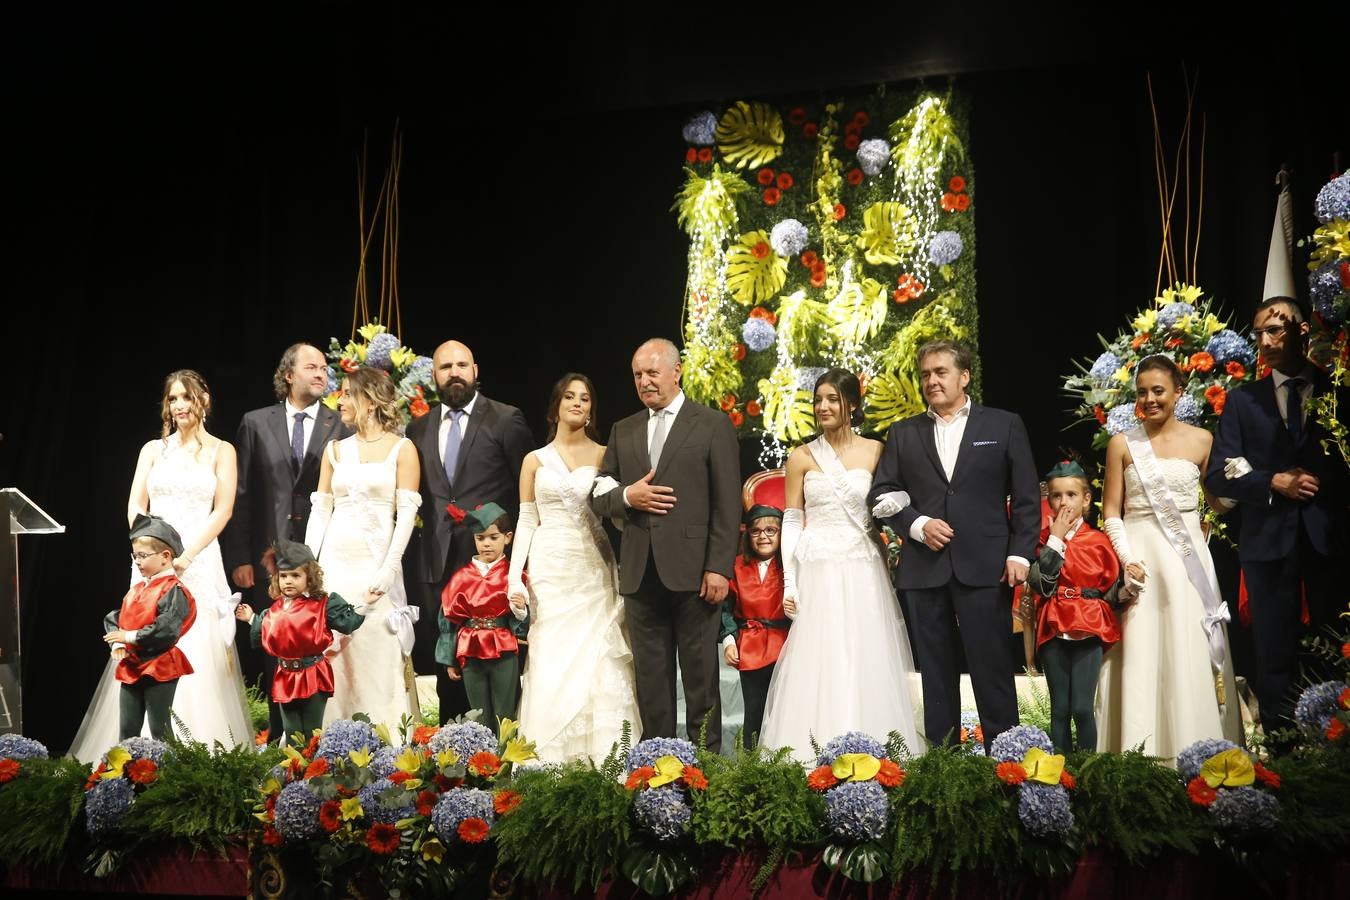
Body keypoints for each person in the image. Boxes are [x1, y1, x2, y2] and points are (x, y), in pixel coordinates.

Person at [69, 372, 252, 760]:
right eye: (172, 399)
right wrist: (147, 549)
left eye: (186, 397)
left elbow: (224, 509)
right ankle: (134, 753)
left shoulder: (222, 451)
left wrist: (185, 557)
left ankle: (198, 751)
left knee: (195, 641)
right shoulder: (154, 449)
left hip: (197, 559)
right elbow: (136, 503)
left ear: (204, 399)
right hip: (152, 559)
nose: (179, 405)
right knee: (146, 640)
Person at [868, 340, 1040, 750]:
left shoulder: (1003, 425)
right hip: (925, 570)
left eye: (940, 372)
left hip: (986, 566)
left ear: (964, 377)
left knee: (993, 670)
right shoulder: (904, 432)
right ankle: (944, 772)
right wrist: (918, 524)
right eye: (925, 374)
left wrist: (1019, 553)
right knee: (936, 677)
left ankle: (1008, 765)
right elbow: (881, 495)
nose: (931, 381)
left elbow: (1028, 496)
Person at [1203, 296, 1349, 740]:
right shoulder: (1244, 401)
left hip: (1329, 543)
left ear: (1302, 332)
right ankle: (1283, 756)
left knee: (1331, 649)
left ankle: (1332, 756)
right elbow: (1220, 472)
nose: (1264, 342)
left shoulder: (1338, 391)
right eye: (1259, 334)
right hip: (1267, 543)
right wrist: (1272, 481)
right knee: (1273, 655)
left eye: (1275, 331)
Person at [759, 370, 920, 759]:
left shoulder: (876, 451)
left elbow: (893, 499)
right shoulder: (802, 456)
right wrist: (791, 582)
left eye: (832, 399)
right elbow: (793, 519)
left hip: (862, 564)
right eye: (818, 400)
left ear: (851, 404)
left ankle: (874, 751)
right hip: (818, 565)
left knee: (864, 652)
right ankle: (810, 750)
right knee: (820, 656)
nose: (823, 407)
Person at [591, 338, 741, 753]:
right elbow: (598, 492)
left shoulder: (711, 424)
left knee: (700, 682)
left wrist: (719, 567)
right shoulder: (625, 429)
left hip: (695, 574)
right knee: (651, 683)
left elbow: (728, 504)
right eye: (638, 374)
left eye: (652, 373)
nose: (644, 382)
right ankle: (659, 768)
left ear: (676, 372)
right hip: (640, 573)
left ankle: (704, 769)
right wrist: (626, 497)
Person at [1097, 354, 1242, 758]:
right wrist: (1126, 557)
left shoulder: (1203, 440)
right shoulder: (1122, 443)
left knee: (1186, 646)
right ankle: (1138, 754)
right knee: (1141, 650)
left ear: (1179, 392)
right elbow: (1111, 509)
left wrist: (1239, 480)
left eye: (1158, 391)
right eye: (1142, 392)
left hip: (1186, 559)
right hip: (1141, 558)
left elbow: (1219, 504)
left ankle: (1196, 751)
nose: (1150, 399)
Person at [509, 373, 641, 763]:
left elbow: (615, 512)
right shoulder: (533, 461)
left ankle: (606, 758)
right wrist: (515, 576)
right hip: (550, 569)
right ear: (555, 406)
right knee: (551, 656)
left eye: (585, 398)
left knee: (599, 658)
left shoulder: (604, 454)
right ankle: (551, 760)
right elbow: (527, 519)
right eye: (569, 396)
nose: (578, 403)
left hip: (592, 567)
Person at [224, 343, 350, 740]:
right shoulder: (256, 422)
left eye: (324, 368)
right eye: (311, 367)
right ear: (288, 375)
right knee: (274, 638)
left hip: (322, 552)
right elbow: (242, 494)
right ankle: (279, 737)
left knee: (316, 640)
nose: (320, 373)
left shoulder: (341, 423)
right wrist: (241, 556)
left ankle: (316, 734)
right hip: (269, 556)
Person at [407, 340, 533, 724]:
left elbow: (526, 492)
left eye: (462, 365)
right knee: (448, 655)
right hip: (439, 559)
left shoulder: (505, 419)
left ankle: (501, 747)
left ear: (475, 370)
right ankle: (453, 748)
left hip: (493, 563)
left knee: (500, 659)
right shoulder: (418, 427)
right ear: (434, 376)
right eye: (446, 367)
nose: (454, 372)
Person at [305, 366, 422, 732]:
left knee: (374, 647)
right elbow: (321, 511)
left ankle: (384, 739)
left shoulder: (403, 449)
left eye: (347, 394)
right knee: (337, 652)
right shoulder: (334, 450)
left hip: (375, 563)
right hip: (336, 562)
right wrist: (307, 566)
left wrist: (389, 570)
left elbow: (405, 516)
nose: (339, 400)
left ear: (369, 402)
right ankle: (332, 741)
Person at [1023, 459, 1125, 753]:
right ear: (1048, 500)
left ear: (1086, 499)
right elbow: (1042, 583)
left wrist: (1129, 582)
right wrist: (1055, 538)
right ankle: (1061, 775)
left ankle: (1088, 771)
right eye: (1056, 495)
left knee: (1082, 708)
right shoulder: (1041, 542)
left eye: (1071, 495)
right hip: (1053, 625)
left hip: (1089, 626)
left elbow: (1112, 589)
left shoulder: (1099, 541)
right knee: (1060, 710)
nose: (1064, 502)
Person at [234, 539, 365, 746]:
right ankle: (294, 773)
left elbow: (348, 622)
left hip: (312, 673)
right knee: (292, 732)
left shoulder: (321, 605)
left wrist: (365, 604)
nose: (288, 581)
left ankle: (313, 771)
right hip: (285, 676)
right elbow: (268, 629)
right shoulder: (275, 610)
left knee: (312, 732)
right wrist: (251, 618)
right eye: (284, 576)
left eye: (296, 575)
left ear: (309, 578)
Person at [101, 515, 197, 742]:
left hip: (160, 664)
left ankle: (168, 775)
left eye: (143, 556)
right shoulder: (137, 589)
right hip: (132, 664)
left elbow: (166, 628)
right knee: (127, 728)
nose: (137, 561)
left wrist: (130, 636)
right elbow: (117, 617)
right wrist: (118, 642)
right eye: (135, 556)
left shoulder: (173, 590)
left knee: (159, 728)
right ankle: (126, 773)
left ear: (165, 557)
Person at [437, 503, 527, 734]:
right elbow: (447, 620)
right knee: (478, 713)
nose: (486, 543)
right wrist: (449, 658)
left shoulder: (514, 575)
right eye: (480, 538)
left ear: (507, 538)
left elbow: (525, 622)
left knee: (504, 713)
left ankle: (506, 764)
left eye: (493, 537)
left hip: (503, 649)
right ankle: (486, 765)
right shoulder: (462, 577)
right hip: (470, 648)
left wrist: (521, 612)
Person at [720, 506, 791, 749]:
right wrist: (729, 641)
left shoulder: (791, 567)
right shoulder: (737, 567)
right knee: (754, 712)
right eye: (756, 531)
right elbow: (725, 608)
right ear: (747, 535)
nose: (763, 537)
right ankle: (752, 766)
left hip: (786, 646)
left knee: (786, 710)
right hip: (750, 645)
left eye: (771, 530)